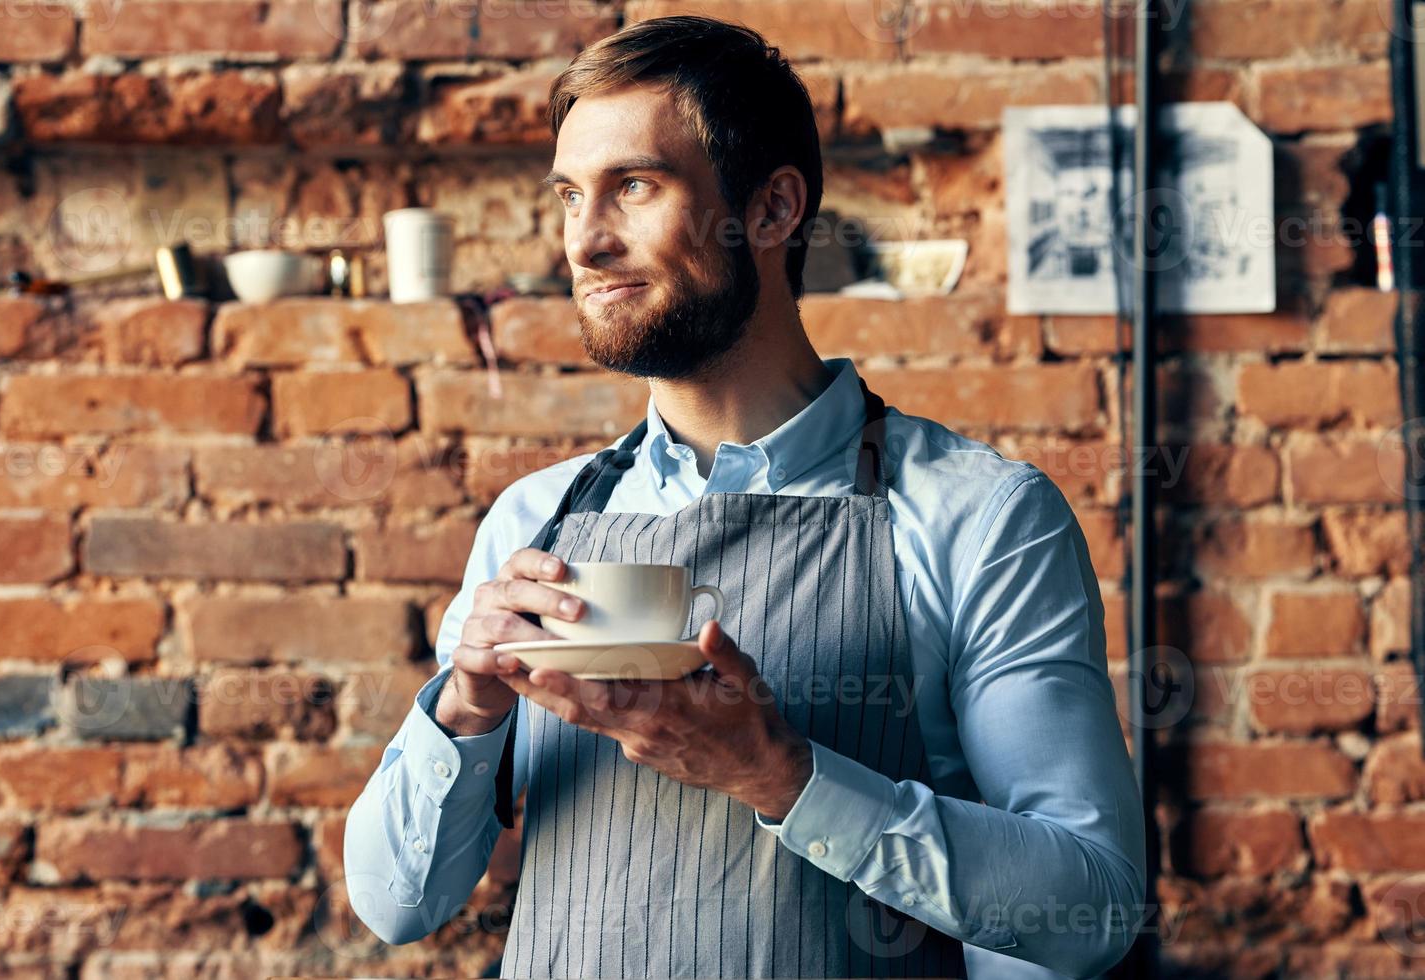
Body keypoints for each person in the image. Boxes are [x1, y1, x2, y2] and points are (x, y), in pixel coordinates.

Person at [344, 15, 1145, 979]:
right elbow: (396, 904)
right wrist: (465, 705)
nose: (586, 243)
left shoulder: (982, 518)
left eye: (633, 187)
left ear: (770, 211)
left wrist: (785, 776)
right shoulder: (533, 523)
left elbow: (1094, 907)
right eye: (569, 196)